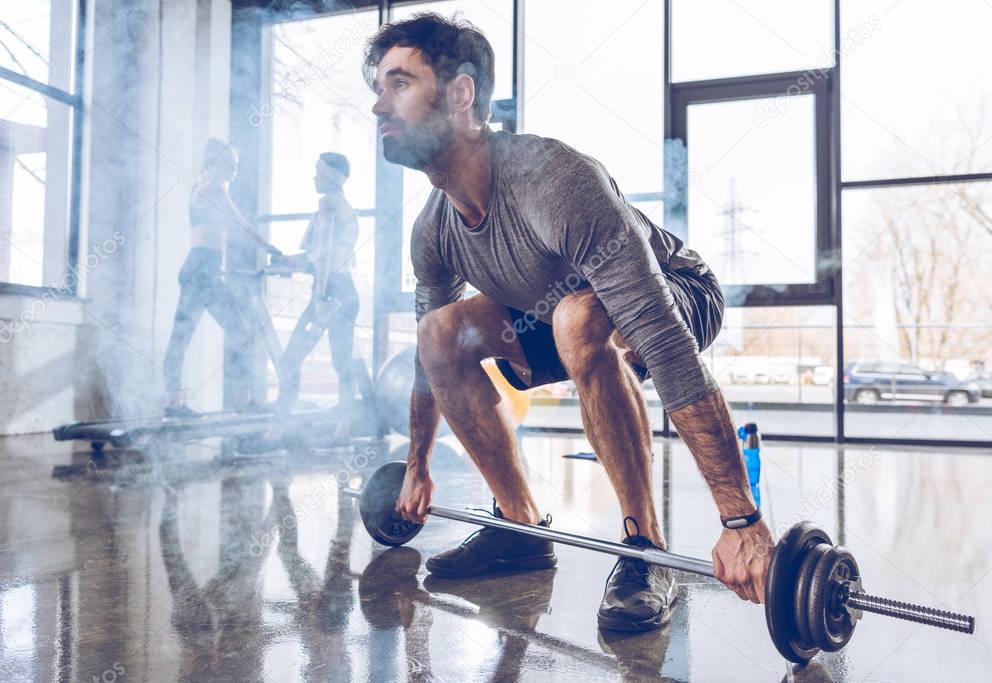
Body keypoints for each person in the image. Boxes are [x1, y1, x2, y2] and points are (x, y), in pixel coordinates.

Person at [364, 13, 775, 633]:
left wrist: (741, 521)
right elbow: (432, 367)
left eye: (398, 84)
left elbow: (664, 342)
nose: (377, 105)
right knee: (439, 334)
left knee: (580, 315)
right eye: (378, 86)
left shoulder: (554, 180)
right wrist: (418, 464)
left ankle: (644, 548)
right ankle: (521, 528)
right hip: (549, 316)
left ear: (461, 94)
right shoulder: (435, 230)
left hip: (679, 292)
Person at [163, 139, 280, 417]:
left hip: (200, 270)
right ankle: (242, 400)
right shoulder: (215, 190)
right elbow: (242, 226)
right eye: (230, 165)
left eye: (236, 166)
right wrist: (274, 251)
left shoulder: (200, 188)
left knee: (182, 337)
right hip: (203, 271)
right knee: (240, 333)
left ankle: (172, 403)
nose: (233, 171)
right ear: (215, 163)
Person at [270, 153, 360, 440]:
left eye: (319, 173)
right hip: (341, 291)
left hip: (330, 293)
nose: (314, 178)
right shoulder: (343, 207)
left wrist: (320, 299)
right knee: (342, 362)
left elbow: (323, 259)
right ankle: (343, 429)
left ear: (332, 177)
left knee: (290, 361)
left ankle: (279, 430)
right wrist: (286, 260)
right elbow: (320, 255)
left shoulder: (329, 203)